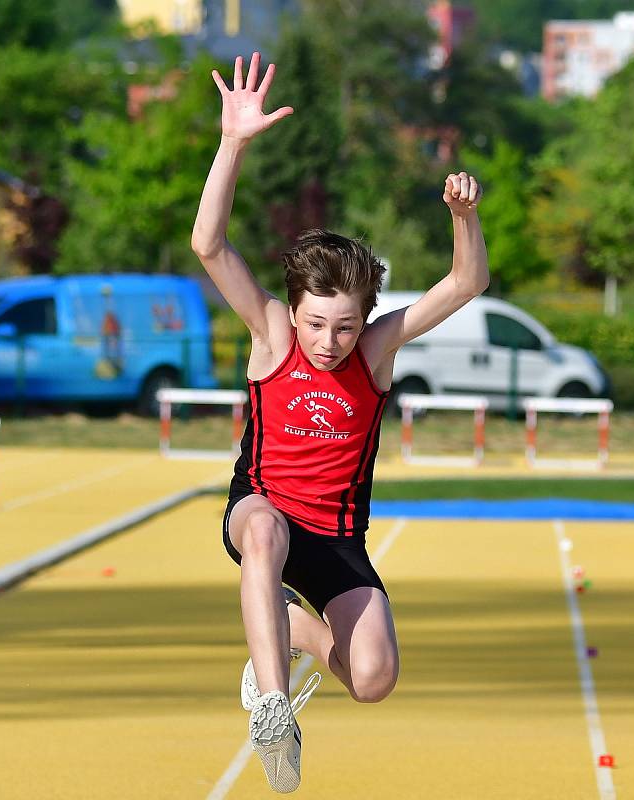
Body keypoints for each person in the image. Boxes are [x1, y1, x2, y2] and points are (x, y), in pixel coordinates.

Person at [191, 51, 489, 793]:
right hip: (263, 514)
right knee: (261, 530)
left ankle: (290, 629)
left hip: (335, 538)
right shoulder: (271, 335)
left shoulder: (376, 350)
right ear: (294, 312)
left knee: (374, 677)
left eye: (347, 328)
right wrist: (233, 143)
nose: (329, 343)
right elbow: (209, 246)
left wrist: (464, 217)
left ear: (366, 321)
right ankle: (272, 706)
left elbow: (467, 282)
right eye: (318, 325)